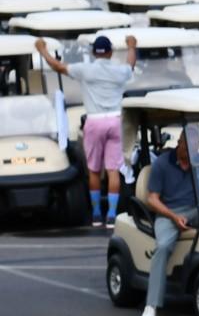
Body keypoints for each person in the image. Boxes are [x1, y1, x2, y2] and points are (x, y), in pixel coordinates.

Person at [36, 33, 135, 226]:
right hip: (115, 119)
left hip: (94, 120)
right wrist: (131, 46)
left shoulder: (85, 70)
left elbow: (58, 66)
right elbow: (131, 64)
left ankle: (97, 213)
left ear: (94, 52)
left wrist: (42, 50)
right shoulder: (119, 71)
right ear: (110, 52)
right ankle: (112, 215)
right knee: (114, 170)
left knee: (94, 170)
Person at [140, 130, 199, 316]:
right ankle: (151, 305)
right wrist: (174, 217)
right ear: (180, 144)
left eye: (196, 146)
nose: (194, 151)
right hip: (169, 211)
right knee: (164, 246)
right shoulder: (163, 163)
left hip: (197, 209)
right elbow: (152, 199)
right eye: (190, 146)